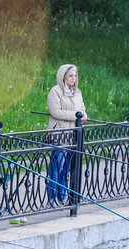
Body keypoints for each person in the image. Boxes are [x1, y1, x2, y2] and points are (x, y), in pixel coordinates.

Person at [47, 64, 87, 206]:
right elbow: (55, 112)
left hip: (73, 135)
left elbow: (82, 108)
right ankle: (52, 197)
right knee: (56, 166)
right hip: (59, 134)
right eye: (70, 76)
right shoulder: (55, 91)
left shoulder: (77, 92)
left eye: (75, 75)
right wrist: (76, 116)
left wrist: (84, 115)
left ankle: (62, 195)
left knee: (66, 169)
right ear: (63, 77)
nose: (73, 78)